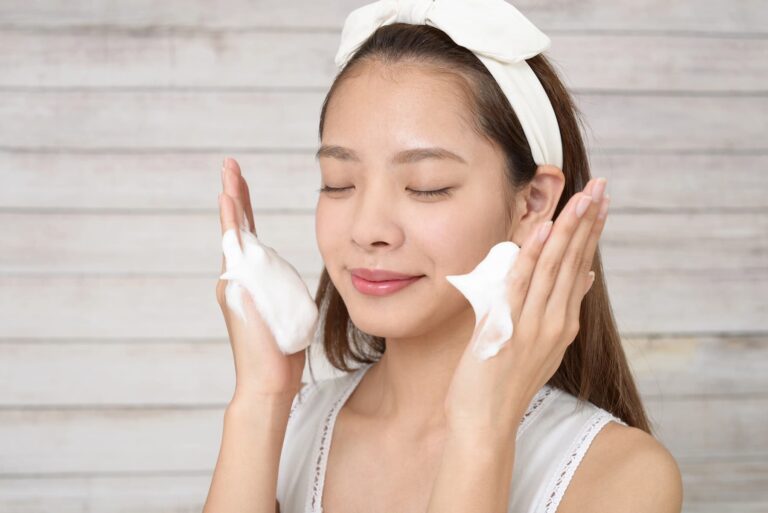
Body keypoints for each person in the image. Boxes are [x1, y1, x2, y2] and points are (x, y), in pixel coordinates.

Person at [203, 3, 684, 513]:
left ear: (533, 202)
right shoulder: (285, 427)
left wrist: (481, 430)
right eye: (338, 183)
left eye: (426, 187)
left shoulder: (620, 474)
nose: (368, 230)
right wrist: (261, 400)